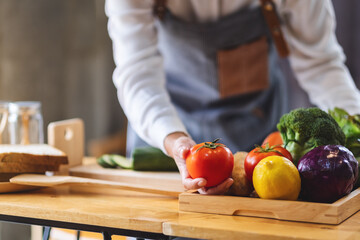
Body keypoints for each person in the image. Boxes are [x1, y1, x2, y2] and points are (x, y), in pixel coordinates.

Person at [105, 0, 360, 195]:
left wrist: (357, 124)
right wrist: (175, 142)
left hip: (258, 137)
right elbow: (137, 74)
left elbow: (321, 65)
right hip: (163, 130)